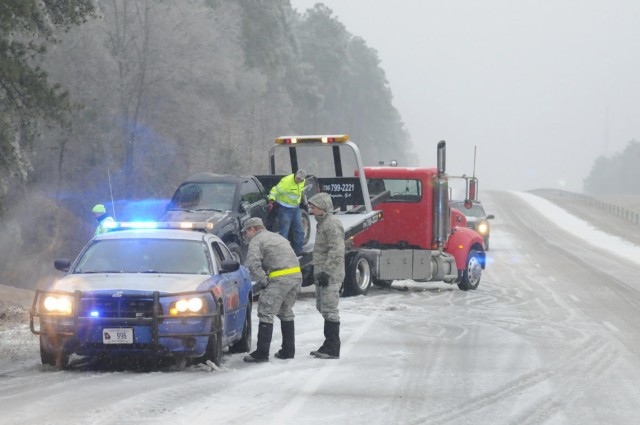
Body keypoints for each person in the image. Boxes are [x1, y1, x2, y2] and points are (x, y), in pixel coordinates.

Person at [242, 217, 303, 363]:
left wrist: (262, 281)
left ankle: (261, 353)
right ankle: (288, 351)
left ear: (252, 229)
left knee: (265, 312)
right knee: (286, 311)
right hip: (296, 277)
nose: (245, 236)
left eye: (246, 232)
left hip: (279, 279)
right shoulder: (277, 237)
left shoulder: (257, 241)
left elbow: (253, 264)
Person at [307, 192, 344, 359]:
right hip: (321, 273)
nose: (311, 210)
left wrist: (327, 272)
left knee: (330, 310)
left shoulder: (331, 224)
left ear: (322, 207)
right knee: (322, 307)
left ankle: (333, 348)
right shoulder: (322, 224)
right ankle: (327, 344)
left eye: (313, 207)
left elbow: (337, 250)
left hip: (330, 275)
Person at [268, 169, 306, 256]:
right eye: (297, 178)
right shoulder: (286, 181)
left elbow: (300, 192)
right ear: (295, 175)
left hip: (296, 208)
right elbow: (275, 190)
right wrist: (271, 200)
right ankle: (283, 253)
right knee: (284, 232)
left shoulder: (302, 182)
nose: (298, 180)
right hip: (285, 209)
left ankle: (298, 250)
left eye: (300, 179)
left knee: (300, 231)